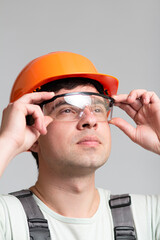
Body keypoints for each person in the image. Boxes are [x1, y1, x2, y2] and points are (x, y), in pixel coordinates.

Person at [0, 51, 160, 240]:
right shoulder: (8, 219)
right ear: (32, 133)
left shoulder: (148, 216)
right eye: (67, 109)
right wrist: (9, 141)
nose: (90, 120)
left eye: (98, 109)